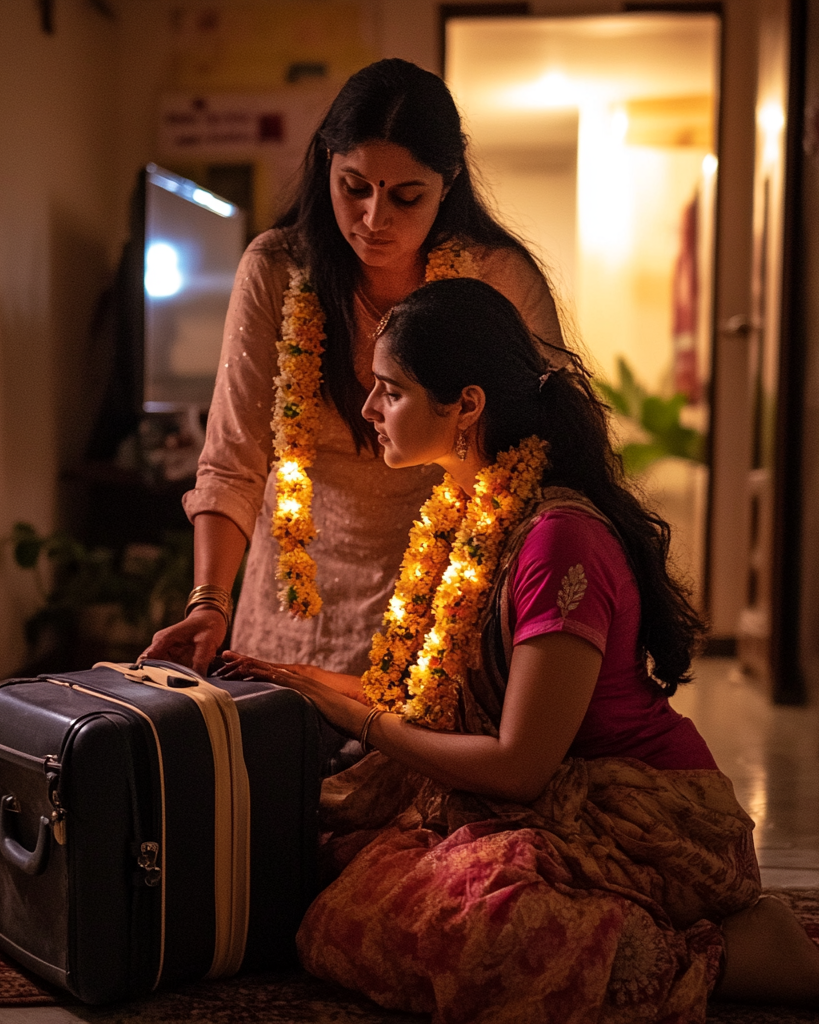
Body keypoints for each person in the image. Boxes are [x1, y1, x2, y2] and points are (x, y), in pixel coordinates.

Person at [219, 279, 819, 1023]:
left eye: (390, 390)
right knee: (329, 869)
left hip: (641, 816)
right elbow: (433, 698)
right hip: (539, 795)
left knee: (476, 935)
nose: (370, 409)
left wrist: (359, 722)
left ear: (466, 405)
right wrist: (300, 679)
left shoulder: (558, 540)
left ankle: (735, 953)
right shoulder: (467, 509)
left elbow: (520, 766)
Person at [140, 58, 566, 678]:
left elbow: (541, 455)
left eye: (405, 195)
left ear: (448, 181)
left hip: (443, 600)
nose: (374, 218)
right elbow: (234, 458)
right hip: (293, 598)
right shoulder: (277, 269)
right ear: (326, 165)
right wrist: (209, 604)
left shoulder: (496, 279)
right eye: (354, 187)